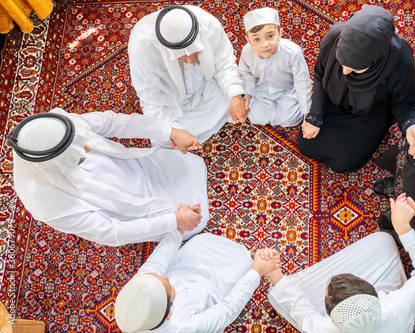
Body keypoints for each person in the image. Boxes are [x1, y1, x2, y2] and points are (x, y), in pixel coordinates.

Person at [9, 108, 209, 246]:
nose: (89, 147)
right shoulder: (47, 204)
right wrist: (173, 221)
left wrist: (169, 131)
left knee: (191, 165)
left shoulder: (54, 126)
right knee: (197, 221)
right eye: (78, 155)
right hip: (133, 212)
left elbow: (113, 122)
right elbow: (113, 233)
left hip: (136, 167)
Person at [263, 193, 415, 333]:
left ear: (330, 314)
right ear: (374, 293)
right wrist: (404, 229)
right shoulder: (398, 305)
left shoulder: (326, 329)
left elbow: (302, 312)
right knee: (383, 241)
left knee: (278, 294)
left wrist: (273, 273)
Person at [298, 5, 415, 173]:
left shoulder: (400, 61)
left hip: (370, 112)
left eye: (354, 69)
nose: (344, 72)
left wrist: (411, 126)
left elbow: (405, 103)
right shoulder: (335, 36)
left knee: (343, 163)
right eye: (341, 63)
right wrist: (316, 115)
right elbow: (321, 74)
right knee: (306, 145)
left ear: (375, 60)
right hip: (334, 98)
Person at [114, 232, 280, 332]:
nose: (165, 277)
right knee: (244, 262)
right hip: (212, 291)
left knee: (202, 240)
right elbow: (227, 310)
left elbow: (156, 262)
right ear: (169, 314)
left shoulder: (138, 288)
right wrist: (257, 271)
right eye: (168, 285)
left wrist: (178, 229)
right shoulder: (184, 327)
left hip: (184, 268)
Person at [128, 5, 247, 143]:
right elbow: (151, 97)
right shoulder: (142, 46)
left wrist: (235, 95)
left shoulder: (208, 25)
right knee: (163, 139)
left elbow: (224, 64)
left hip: (205, 89)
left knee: (240, 94)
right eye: (182, 58)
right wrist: (174, 131)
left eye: (196, 54)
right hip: (170, 102)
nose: (190, 61)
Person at [238, 7, 312, 127]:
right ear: (249, 41)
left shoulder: (292, 53)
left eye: (270, 36)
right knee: (256, 117)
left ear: (280, 34)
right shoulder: (246, 52)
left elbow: (302, 82)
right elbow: (246, 74)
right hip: (260, 91)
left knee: (290, 120)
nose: (265, 44)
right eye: (257, 39)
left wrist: (307, 114)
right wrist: (248, 95)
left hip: (285, 91)